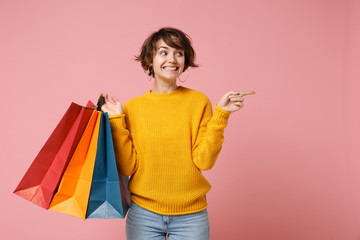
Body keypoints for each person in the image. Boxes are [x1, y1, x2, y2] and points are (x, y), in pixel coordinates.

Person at [100, 27, 255, 240]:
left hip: (191, 216)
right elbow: (128, 167)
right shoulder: (133, 108)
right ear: (149, 60)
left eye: (179, 53)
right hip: (143, 214)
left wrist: (222, 115)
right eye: (164, 52)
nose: (172, 59)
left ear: (185, 61)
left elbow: (204, 161)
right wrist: (117, 120)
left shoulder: (198, 102)